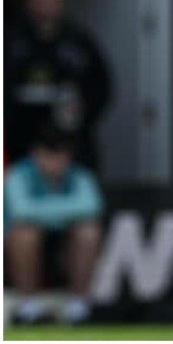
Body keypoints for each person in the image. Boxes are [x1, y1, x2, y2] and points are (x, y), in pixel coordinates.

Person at [5, 0, 111, 171]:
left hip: (71, 143)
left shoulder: (79, 42)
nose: (45, 4)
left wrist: (83, 108)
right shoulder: (11, 42)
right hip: (21, 142)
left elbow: (101, 87)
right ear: (28, 1)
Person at [4, 127, 103, 325]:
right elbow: (21, 211)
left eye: (61, 156)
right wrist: (65, 212)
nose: (56, 162)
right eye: (50, 155)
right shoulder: (18, 174)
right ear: (36, 154)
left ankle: (78, 305)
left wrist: (42, 212)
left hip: (64, 245)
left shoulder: (79, 176)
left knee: (89, 231)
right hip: (14, 251)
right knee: (25, 233)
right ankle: (28, 305)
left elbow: (92, 206)